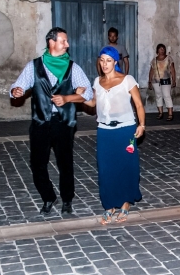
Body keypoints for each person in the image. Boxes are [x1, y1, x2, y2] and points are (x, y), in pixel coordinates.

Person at [11, 27, 93, 215]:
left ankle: (67, 199)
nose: (67, 45)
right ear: (52, 42)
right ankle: (48, 197)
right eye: (63, 41)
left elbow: (88, 93)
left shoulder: (74, 68)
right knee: (37, 163)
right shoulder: (34, 66)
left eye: (66, 41)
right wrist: (16, 91)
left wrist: (69, 97)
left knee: (65, 162)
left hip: (63, 122)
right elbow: (18, 85)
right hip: (40, 121)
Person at [81, 47, 145, 224]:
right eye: (102, 60)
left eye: (108, 60)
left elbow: (139, 105)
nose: (104, 64)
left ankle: (125, 203)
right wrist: (77, 98)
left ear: (115, 62)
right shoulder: (97, 81)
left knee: (126, 166)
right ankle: (109, 205)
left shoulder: (127, 80)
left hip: (125, 129)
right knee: (106, 168)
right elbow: (93, 103)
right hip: (104, 131)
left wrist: (142, 124)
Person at [147, 44, 175, 121]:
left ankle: (170, 114)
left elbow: (172, 70)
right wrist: (149, 81)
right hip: (156, 81)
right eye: (160, 49)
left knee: (167, 96)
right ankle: (160, 113)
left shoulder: (168, 58)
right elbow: (151, 71)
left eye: (163, 49)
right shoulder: (154, 60)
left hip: (166, 80)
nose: (162, 50)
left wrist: (174, 80)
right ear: (157, 50)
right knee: (158, 96)